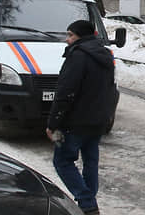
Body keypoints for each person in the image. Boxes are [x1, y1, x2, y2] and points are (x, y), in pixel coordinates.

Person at [46, 20, 118, 215]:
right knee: (90, 160)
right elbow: (110, 89)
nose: (67, 39)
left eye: (70, 35)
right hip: (96, 121)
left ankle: (87, 203)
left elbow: (65, 93)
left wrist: (53, 124)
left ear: (81, 36)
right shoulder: (103, 54)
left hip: (74, 122)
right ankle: (89, 200)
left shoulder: (78, 56)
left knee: (62, 161)